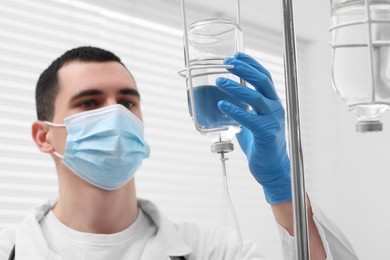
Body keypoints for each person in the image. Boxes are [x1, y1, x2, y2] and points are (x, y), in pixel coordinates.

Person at [0, 46, 358, 260]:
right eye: (90, 102)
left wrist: (284, 189)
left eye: (127, 102)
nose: (117, 116)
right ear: (44, 136)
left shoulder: (216, 251)